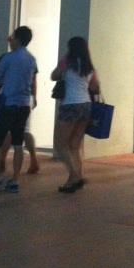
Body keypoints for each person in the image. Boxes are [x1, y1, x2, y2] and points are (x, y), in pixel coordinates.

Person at [0, 26, 37, 194]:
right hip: (24, 104)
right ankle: (15, 180)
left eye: (11, 39)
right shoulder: (32, 59)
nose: (10, 41)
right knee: (18, 143)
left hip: (9, 103)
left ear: (17, 39)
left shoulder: (9, 58)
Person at [51, 36, 100, 193]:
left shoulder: (67, 63)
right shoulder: (89, 66)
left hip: (70, 105)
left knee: (61, 145)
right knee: (75, 144)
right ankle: (80, 174)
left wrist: (63, 67)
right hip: (85, 106)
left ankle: (74, 176)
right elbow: (94, 87)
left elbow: (53, 76)